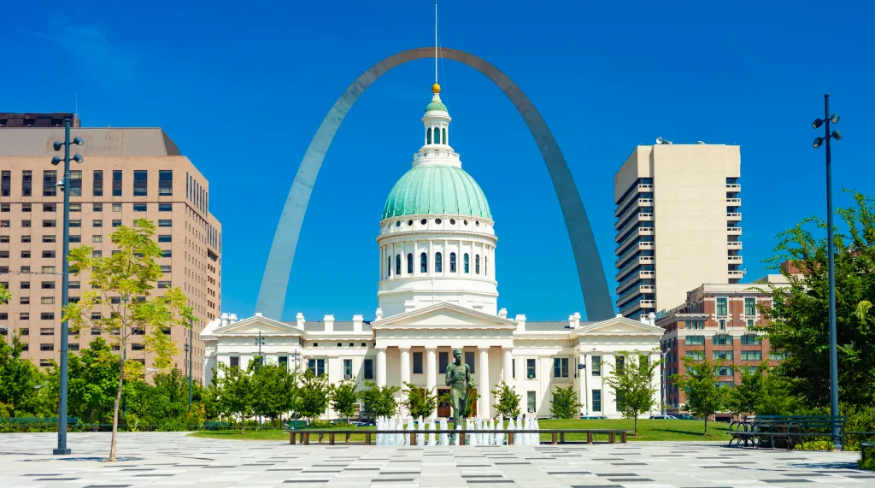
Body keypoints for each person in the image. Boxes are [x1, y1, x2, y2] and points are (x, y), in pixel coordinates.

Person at [445, 348, 474, 429]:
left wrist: (470, 384)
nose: (459, 355)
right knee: (456, 408)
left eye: (461, 354)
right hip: (454, 389)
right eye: (457, 354)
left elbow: (469, 380)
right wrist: (453, 378)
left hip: (462, 389)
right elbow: (447, 382)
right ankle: (456, 429)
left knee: (463, 410)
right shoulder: (450, 367)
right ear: (454, 356)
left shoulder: (466, 367)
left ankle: (460, 428)